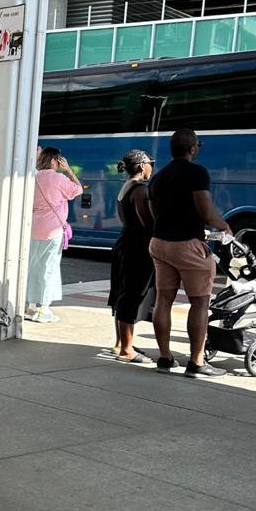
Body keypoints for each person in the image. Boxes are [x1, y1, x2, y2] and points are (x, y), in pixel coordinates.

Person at [148, 129, 231, 377]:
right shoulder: (197, 172)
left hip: (159, 242)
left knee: (163, 300)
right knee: (200, 303)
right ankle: (196, 362)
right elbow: (205, 211)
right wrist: (224, 227)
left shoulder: (158, 177)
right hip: (187, 244)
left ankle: (165, 358)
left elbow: (154, 213)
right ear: (193, 148)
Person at [107, 150, 154, 363]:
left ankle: (121, 343)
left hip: (124, 244)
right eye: (150, 163)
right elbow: (148, 223)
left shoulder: (125, 187)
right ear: (142, 165)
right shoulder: (140, 190)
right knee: (132, 296)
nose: (152, 167)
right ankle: (127, 350)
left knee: (122, 294)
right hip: (138, 248)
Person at [25, 147, 82, 323]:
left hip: (34, 227)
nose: (59, 163)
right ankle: (43, 309)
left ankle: (30, 306)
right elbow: (78, 189)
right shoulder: (58, 178)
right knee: (48, 268)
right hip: (52, 230)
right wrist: (69, 170)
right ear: (53, 161)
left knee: (33, 267)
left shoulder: (33, 177)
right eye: (58, 160)